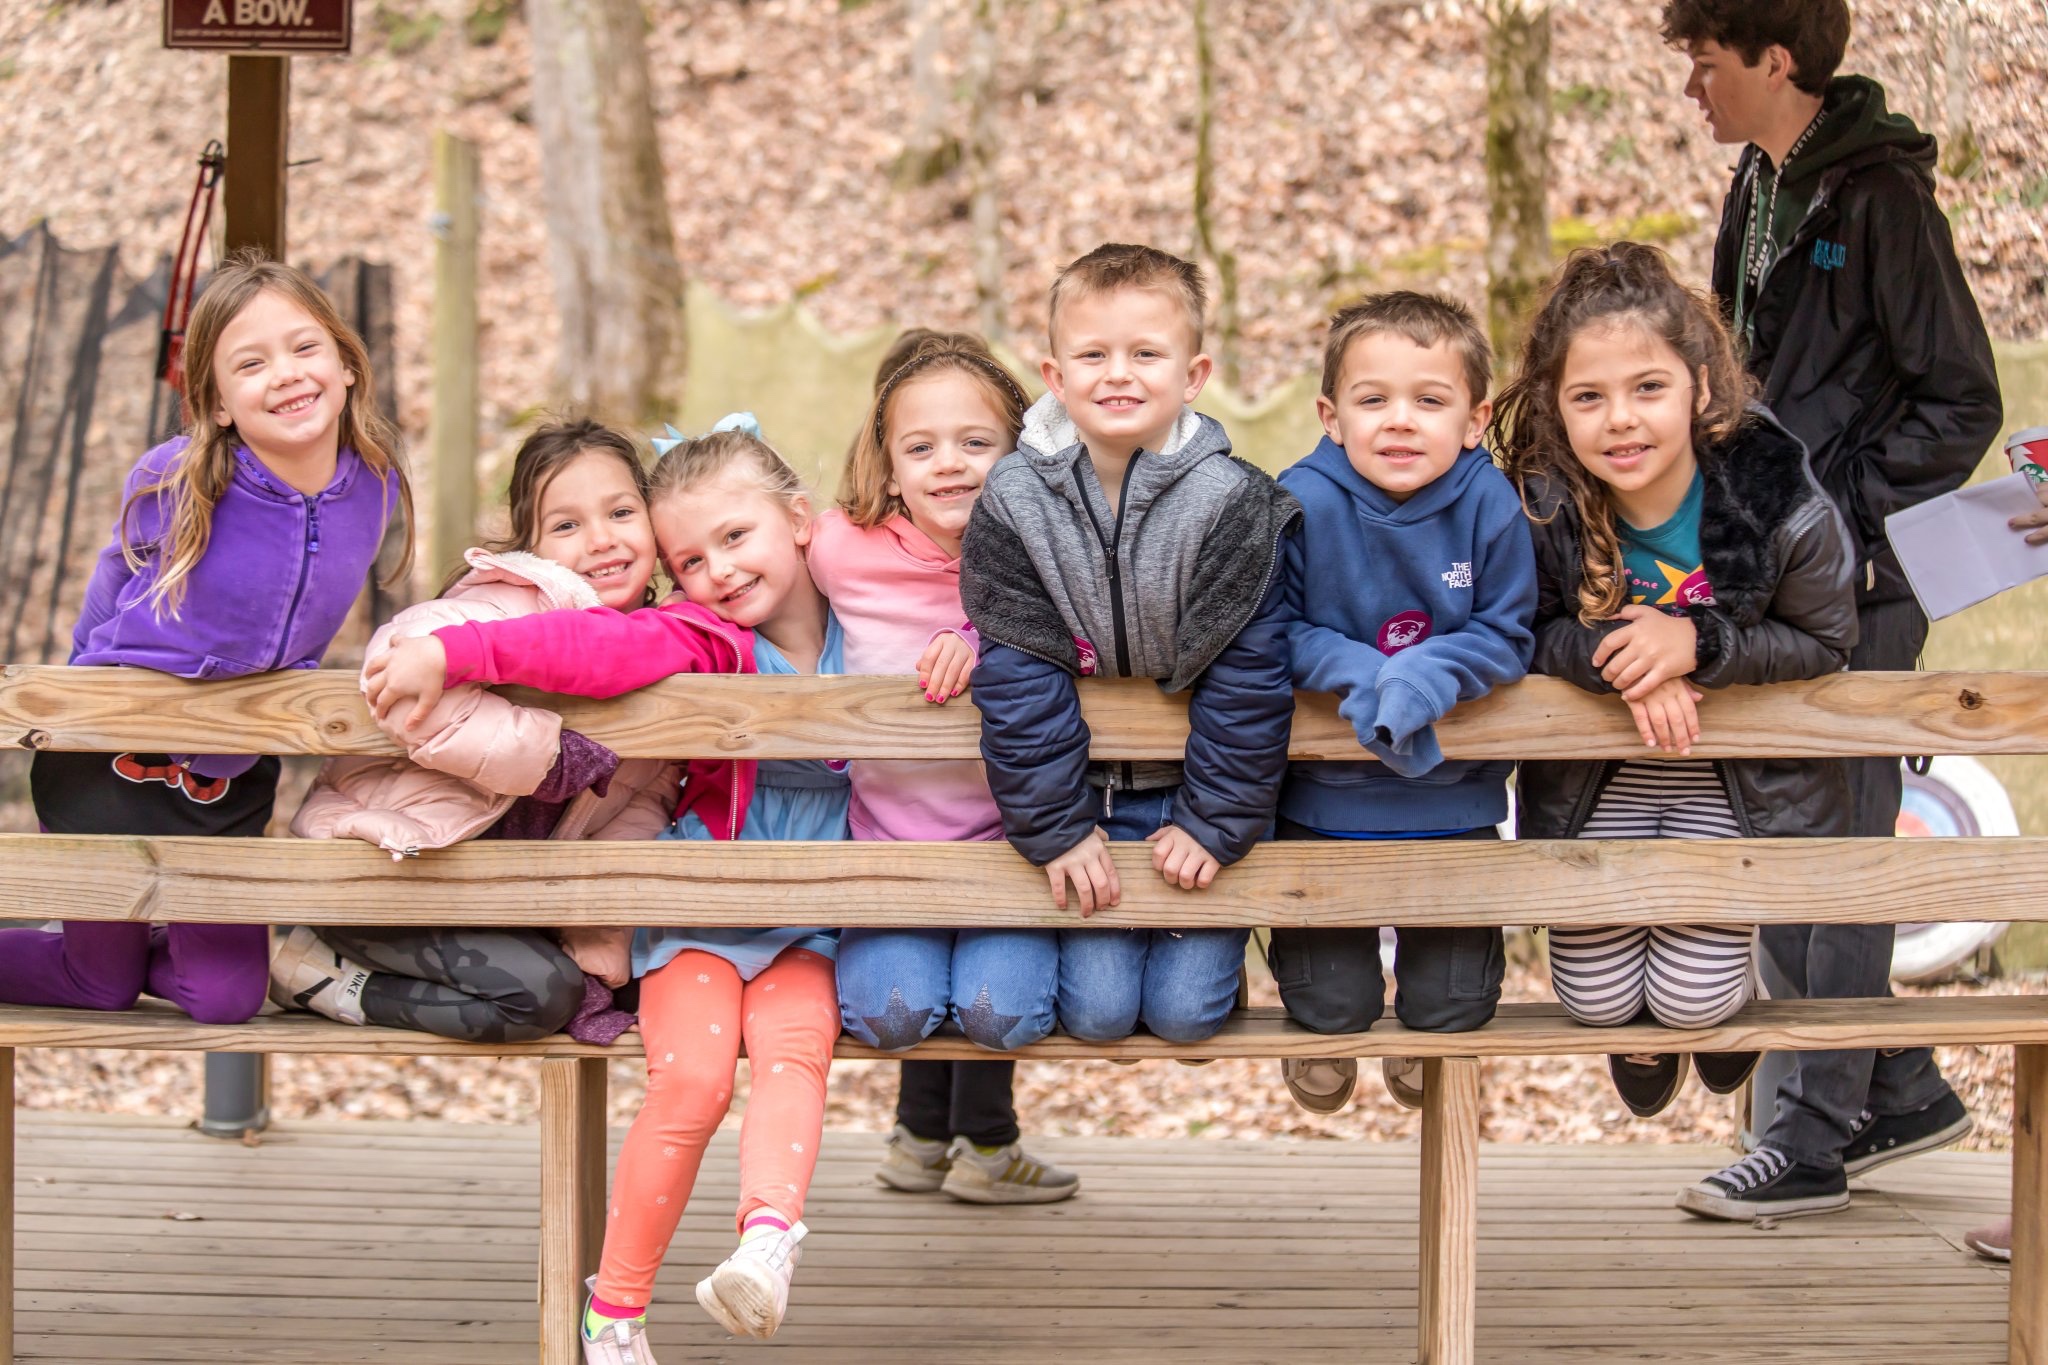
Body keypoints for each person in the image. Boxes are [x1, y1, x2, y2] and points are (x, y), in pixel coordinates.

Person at [363, 420, 846, 1351]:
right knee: (693, 1079)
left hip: (816, 921)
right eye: (691, 557)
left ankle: (766, 1243)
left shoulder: (865, 624)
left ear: (798, 520)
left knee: (795, 1053)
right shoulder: (707, 636)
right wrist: (455, 653)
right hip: (698, 911)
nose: (718, 571)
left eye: (736, 539)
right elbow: (595, 651)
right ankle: (614, 1311)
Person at [1662, 0, 1996, 1191]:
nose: (1690, 86)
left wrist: (1837, 523)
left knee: (1832, 847)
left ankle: (1801, 1143)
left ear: (1774, 58)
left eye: (1704, 62)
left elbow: (1960, 401)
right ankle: (1893, 1089)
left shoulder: (1881, 200)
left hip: (1853, 577)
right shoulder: (1760, 186)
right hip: (1764, 569)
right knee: (1785, 831)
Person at [1496, 242, 1861, 1207]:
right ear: (1554, 405)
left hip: (1729, 775)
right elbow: (1519, 632)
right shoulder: (1539, 504)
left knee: (1695, 998)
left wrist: (1701, 643)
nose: (1621, 420)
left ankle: (1705, 1024)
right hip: (1601, 778)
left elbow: (1825, 636)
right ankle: (1649, 1039)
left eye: (1648, 387)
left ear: (1699, 386)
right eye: (1589, 398)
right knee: (1600, 1001)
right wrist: (1623, 653)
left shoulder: (1774, 492)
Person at [0, 249, 412, 1025]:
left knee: (226, 998)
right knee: (103, 985)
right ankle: (105, 948)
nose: (285, 373)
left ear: (346, 364)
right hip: (111, 764)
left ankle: (157, 939)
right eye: (249, 364)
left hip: (225, 775)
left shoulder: (374, 480)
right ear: (218, 403)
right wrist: (81, 714)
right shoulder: (180, 477)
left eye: (303, 347)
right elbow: (107, 592)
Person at [961, 242, 1299, 1045]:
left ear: (1194, 374)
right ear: (1054, 375)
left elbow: (1250, 676)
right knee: (1100, 1013)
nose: (1118, 373)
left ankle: (1220, 960)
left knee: (1184, 1016)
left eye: (1146, 353)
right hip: (1086, 799)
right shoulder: (1012, 500)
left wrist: (1213, 821)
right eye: (1093, 354)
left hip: (1198, 793)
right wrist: (1061, 827)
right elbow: (1015, 672)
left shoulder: (1236, 503)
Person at [280, 420, 690, 1043]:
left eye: (621, 511)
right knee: (542, 996)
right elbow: (398, 662)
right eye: (567, 525)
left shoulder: (661, 649)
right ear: (531, 547)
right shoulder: (504, 607)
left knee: (634, 983)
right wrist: (549, 759)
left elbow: (645, 801)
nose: (601, 540)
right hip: (391, 875)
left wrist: (602, 930)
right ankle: (326, 979)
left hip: (494, 900)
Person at [829, 330, 1077, 1205]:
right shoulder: (840, 547)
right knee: (897, 1009)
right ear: (887, 464)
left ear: (1018, 452)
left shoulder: (1049, 547)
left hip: (1011, 849)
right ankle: (925, 1132)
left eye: (978, 444)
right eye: (922, 447)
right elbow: (739, 561)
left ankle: (981, 1142)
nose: (951, 466)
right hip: (887, 848)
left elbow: (1089, 629)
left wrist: (982, 638)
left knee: (995, 1007)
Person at [1271, 291, 1534, 1114]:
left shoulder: (1491, 504)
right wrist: (1360, 671)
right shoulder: (1297, 502)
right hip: (1324, 807)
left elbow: (1508, 632)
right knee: (1333, 1008)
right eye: (1372, 399)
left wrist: (1429, 671)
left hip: (1452, 808)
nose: (1400, 421)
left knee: (1450, 1012)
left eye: (1430, 400)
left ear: (1475, 417)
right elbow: (1271, 629)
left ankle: (1431, 1024)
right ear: (1330, 414)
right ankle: (1322, 1019)